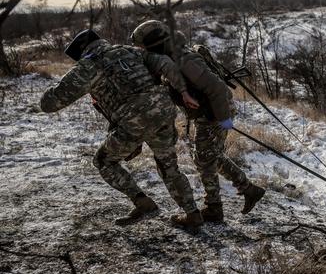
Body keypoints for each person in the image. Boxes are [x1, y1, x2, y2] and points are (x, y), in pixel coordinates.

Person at [40, 29, 204, 229]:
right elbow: (165, 63)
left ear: (81, 52)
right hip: (163, 111)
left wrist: (58, 85)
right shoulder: (129, 50)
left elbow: (49, 104)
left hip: (133, 120)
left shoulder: (86, 67)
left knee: (104, 161)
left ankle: (143, 203)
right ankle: (192, 213)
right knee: (169, 167)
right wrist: (183, 91)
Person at [131, 20, 265, 222]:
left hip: (214, 113)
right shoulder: (170, 57)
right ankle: (248, 190)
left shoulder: (184, 60)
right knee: (210, 156)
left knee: (204, 159)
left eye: (143, 46)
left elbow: (218, 89)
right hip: (208, 113)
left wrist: (223, 119)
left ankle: (215, 208)